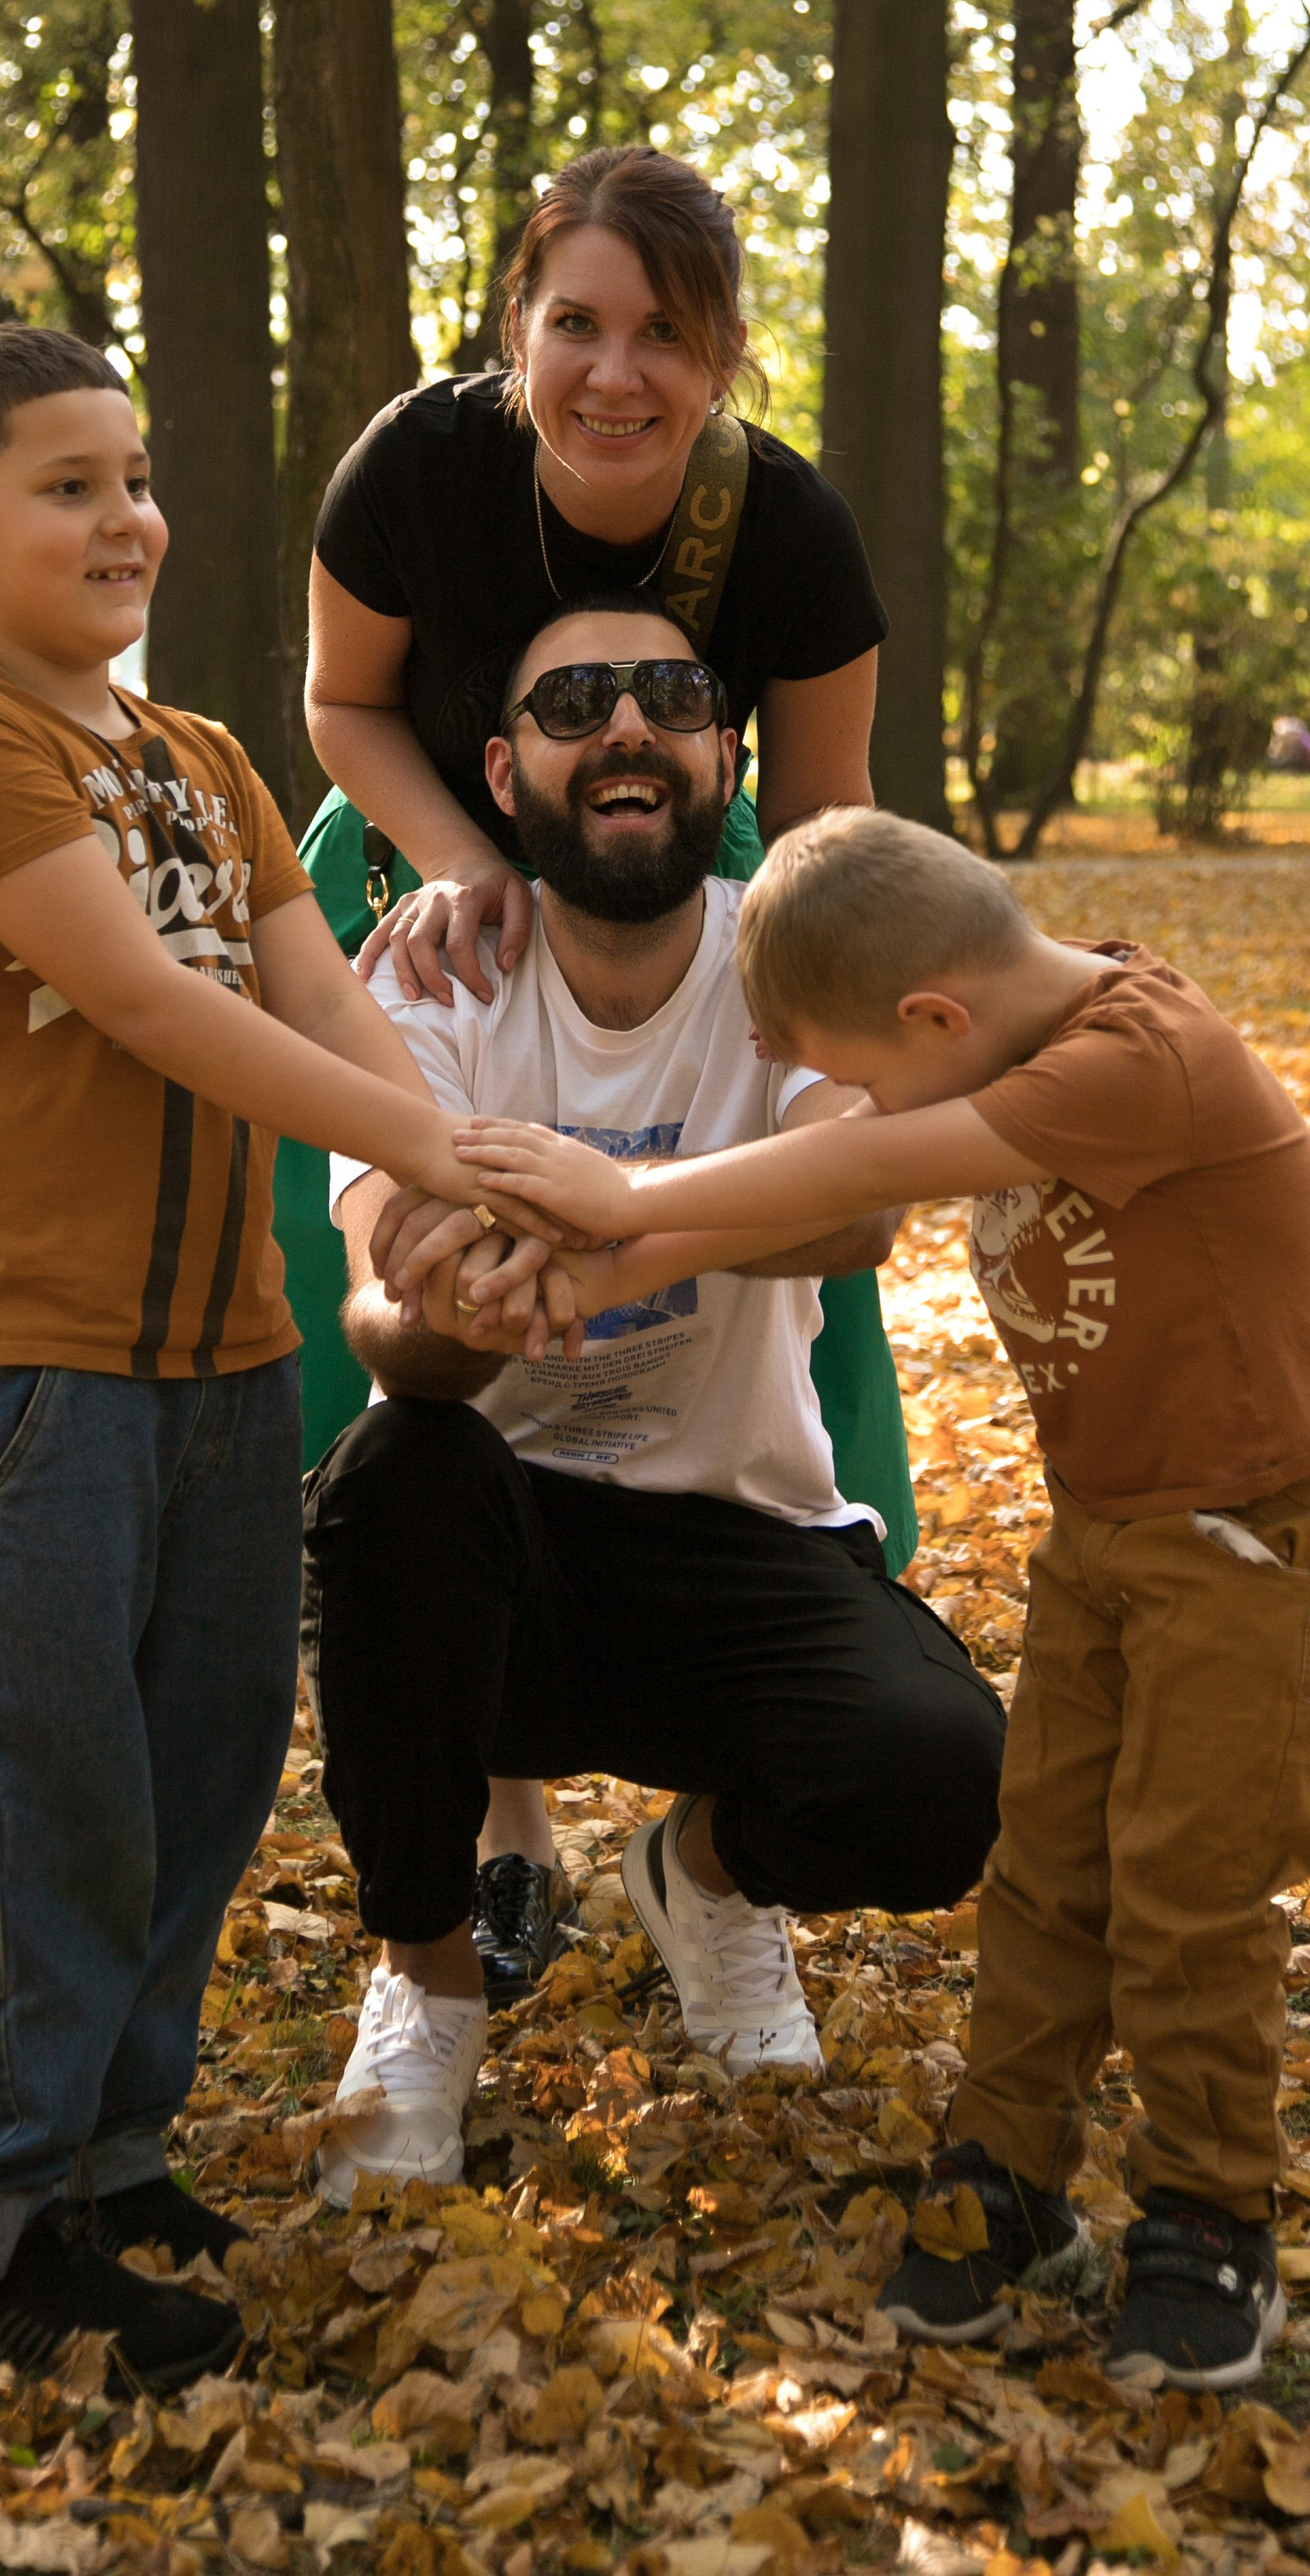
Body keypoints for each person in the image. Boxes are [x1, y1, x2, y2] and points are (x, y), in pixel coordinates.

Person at [452, 804, 1310, 2392]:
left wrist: (624, 1197)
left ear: (938, 1021)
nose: (864, 1102)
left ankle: (1210, 2212)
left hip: (1253, 1541)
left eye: (867, 1067)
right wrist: (611, 1270)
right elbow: (859, 1150)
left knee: (1186, 1888)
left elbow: (877, 1161)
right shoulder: (1010, 1036)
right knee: (1044, 1861)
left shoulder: (1134, 1059)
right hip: (1107, 1529)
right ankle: (1010, 2172)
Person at [0, 326, 508, 2390]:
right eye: (66, 485)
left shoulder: (211, 759)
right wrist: (431, 1144)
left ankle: (110, 2155)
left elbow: (321, 1002)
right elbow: (146, 1000)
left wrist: (446, 1187)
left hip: (222, 1356)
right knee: (27, 1783)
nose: (125, 515)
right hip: (24, 1369)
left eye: (133, 475)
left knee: (194, 1772)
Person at [289, 140, 918, 1999]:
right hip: (436, 866)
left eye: (664, 331)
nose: (613, 373)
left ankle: (753, 1762)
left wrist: (810, 1050)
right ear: (516, 328)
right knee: (420, 1316)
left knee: (790, 1287)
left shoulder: (786, 533)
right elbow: (337, 702)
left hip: (702, 888)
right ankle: (494, 1826)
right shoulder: (413, 466)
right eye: (575, 322)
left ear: (718, 355)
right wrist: (463, 875)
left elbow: (822, 821)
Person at [305, 602, 1007, 2205]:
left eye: (675, 693)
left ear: (724, 752)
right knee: (391, 1469)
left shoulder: (791, 949)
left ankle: (701, 1879)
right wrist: (454, 1317)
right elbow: (375, 1300)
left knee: (943, 1777)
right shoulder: (432, 983)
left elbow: (856, 1207)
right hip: (504, 1566)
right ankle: (428, 1985)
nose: (627, 724)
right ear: (504, 766)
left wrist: (601, 1227)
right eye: (574, 700)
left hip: (740, 1537)